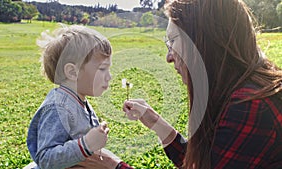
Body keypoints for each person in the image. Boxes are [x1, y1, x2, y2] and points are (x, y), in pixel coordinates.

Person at [122, 0, 282, 168]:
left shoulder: (249, 106)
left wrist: (116, 166)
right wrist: (154, 121)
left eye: (172, 41)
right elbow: (206, 162)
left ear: (202, 42)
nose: (168, 57)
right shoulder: (248, 89)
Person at [26, 25, 130, 169]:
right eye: (102, 69)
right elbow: (46, 159)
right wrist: (85, 144)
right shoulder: (58, 107)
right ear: (72, 72)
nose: (109, 76)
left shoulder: (79, 100)